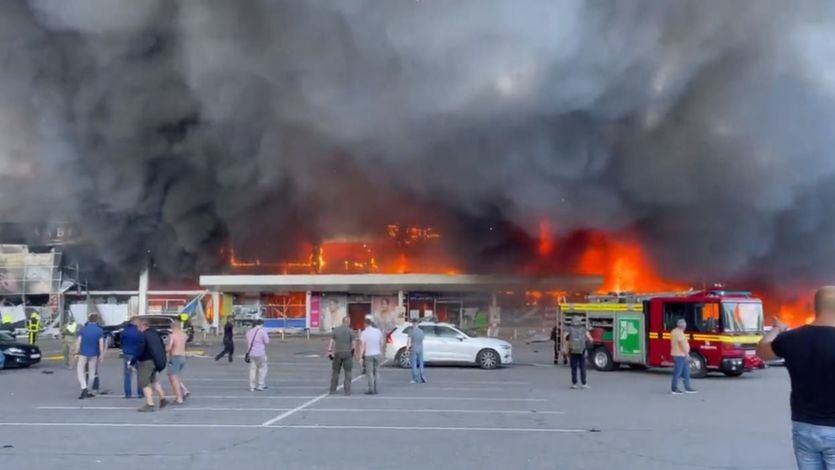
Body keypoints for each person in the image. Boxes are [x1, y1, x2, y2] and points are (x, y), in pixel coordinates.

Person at [757, 286, 835, 469]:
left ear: (816, 307)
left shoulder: (791, 338)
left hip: (803, 426)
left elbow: (762, 350)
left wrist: (777, 329)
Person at [131, 318, 168, 412]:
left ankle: (150, 403)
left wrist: (132, 362)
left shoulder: (143, 335)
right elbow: (162, 346)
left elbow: (140, 350)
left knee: (144, 383)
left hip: (146, 362)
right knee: (153, 380)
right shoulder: (155, 333)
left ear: (142, 326)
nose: (138, 329)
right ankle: (162, 398)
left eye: (138, 327)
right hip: (156, 361)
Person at [75, 313, 104, 399]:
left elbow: (78, 342)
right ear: (97, 320)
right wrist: (101, 355)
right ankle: (89, 389)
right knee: (92, 372)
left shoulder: (83, 330)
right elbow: (101, 344)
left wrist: (76, 352)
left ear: (88, 319)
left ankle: (84, 387)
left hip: (83, 353)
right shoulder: (99, 330)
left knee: (80, 371)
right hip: (94, 354)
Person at [328, 316, 354, 395]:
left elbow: (332, 341)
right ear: (348, 322)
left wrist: (329, 351)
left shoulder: (336, 330)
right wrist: (353, 351)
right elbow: (353, 343)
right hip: (347, 353)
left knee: (335, 372)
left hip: (338, 353)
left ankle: (332, 389)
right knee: (348, 372)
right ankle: (347, 390)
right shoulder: (350, 331)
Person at [565, 317, 593, 390]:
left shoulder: (569, 329)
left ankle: (574, 384)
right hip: (582, 350)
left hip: (573, 350)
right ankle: (584, 383)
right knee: (582, 367)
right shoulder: (583, 329)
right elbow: (590, 338)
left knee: (574, 368)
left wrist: (566, 348)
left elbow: (565, 338)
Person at [670, 318, 697, 395]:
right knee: (677, 372)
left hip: (681, 355)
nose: (685, 327)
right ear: (681, 326)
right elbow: (681, 344)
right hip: (680, 355)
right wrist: (687, 354)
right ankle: (674, 389)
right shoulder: (679, 333)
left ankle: (688, 388)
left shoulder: (675, 331)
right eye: (684, 326)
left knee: (686, 372)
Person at [120, 317, 144, 399]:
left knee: (128, 374)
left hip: (128, 354)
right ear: (136, 322)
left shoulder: (125, 331)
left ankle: (128, 393)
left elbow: (122, 342)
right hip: (138, 355)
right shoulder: (140, 331)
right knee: (140, 374)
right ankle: (140, 393)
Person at [359, 316, 383, 395]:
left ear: (365, 324)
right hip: (377, 353)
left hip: (368, 354)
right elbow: (381, 342)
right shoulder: (378, 331)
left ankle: (371, 389)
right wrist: (380, 351)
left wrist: (360, 357)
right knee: (376, 371)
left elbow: (362, 345)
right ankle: (376, 388)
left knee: (369, 373)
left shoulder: (364, 333)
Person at [166, 322, 189, 405]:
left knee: (173, 378)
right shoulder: (184, 335)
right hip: (183, 356)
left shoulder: (172, 336)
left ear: (172, 327)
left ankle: (179, 398)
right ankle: (184, 390)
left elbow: (169, 347)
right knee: (176, 375)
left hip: (175, 357)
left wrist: (164, 349)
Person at [246, 319, 269, 392]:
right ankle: (260, 385)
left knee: (252, 370)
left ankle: (252, 386)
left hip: (251, 353)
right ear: (261, 324)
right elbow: (267, 341)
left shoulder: (249, 332)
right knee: (262, 369)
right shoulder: (262, 331)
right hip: (260, 353)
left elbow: (247, 341)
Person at [406, 318, 426, 384]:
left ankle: (415, 378)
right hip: (420, 348)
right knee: (421, 363)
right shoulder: (421, 331)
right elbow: (422, 339)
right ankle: (422, 376)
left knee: (414, 364)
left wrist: (407, 348)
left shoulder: (410, 331)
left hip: (414, 348)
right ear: (418, 324)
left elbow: (408, 341)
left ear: (413, 323)